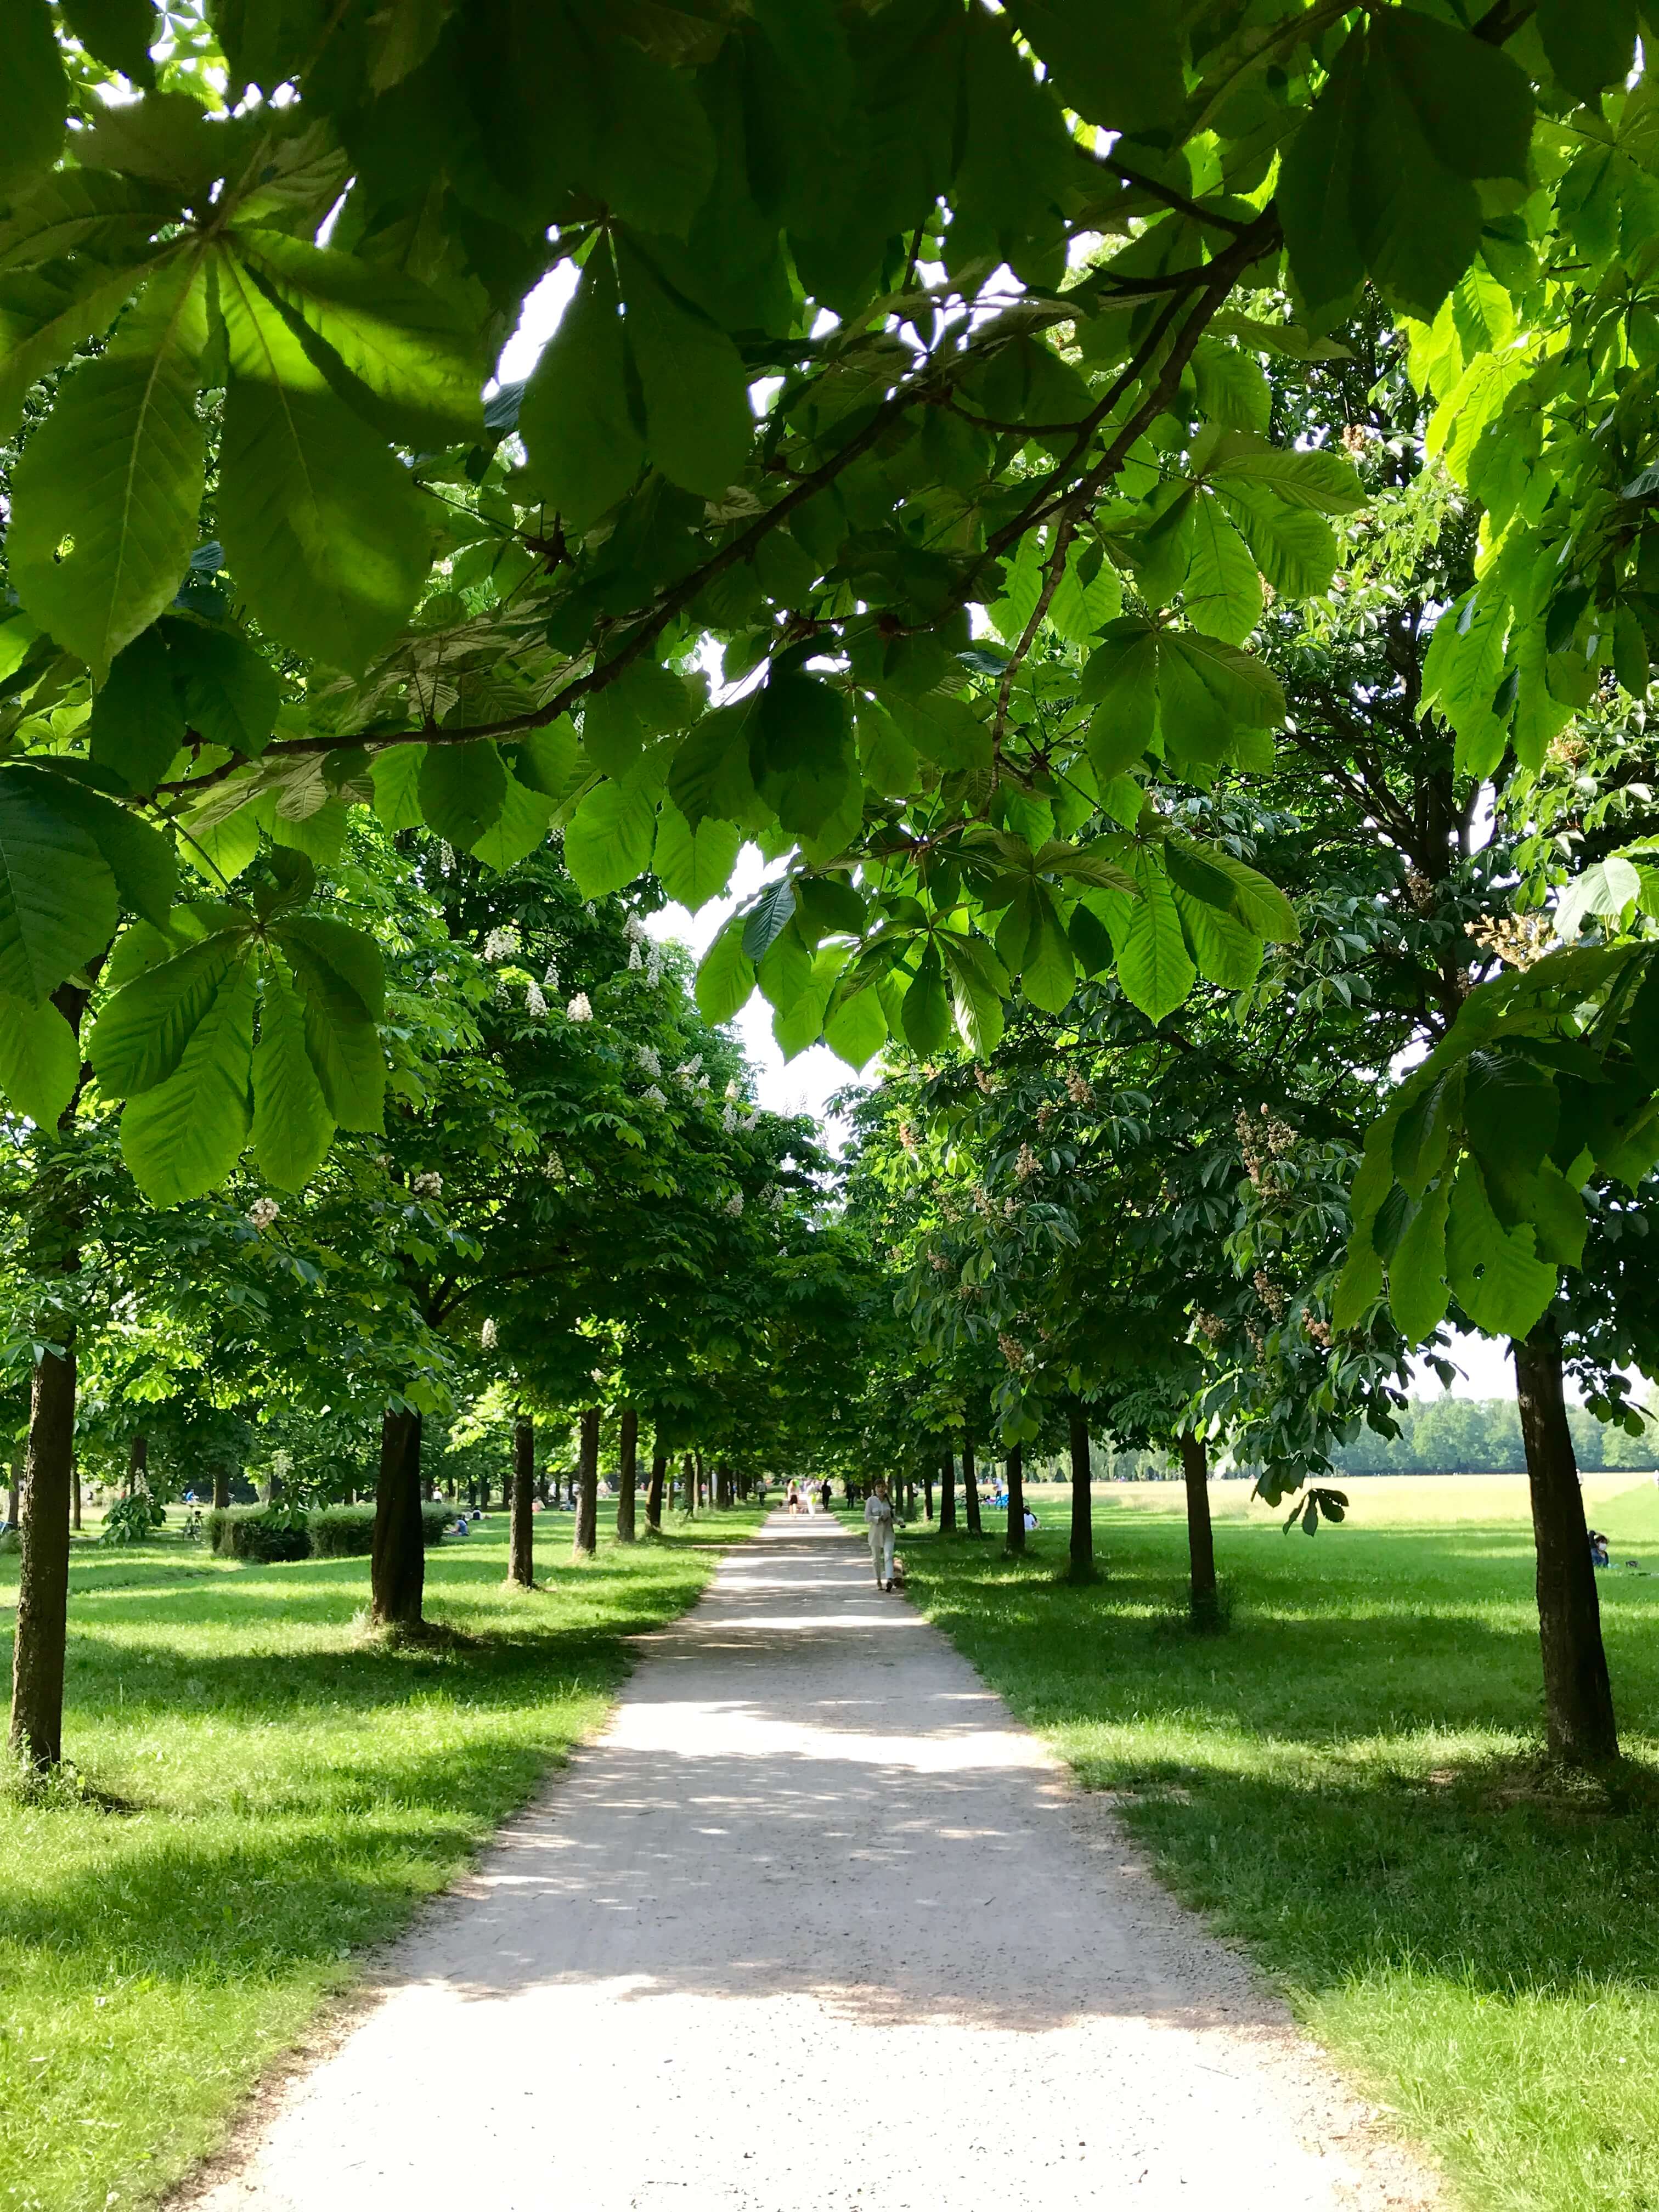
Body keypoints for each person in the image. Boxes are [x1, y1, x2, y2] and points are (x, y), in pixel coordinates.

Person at [865, 1479, 896, 1591]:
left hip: (888, 1531)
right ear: (875, 1489)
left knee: (888, 1555)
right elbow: (867, 1518)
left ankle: (889, 1579)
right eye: (878, 1487)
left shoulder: (889, 1500)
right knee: (876, 1559)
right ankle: (878, 1580)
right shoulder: (871, 1501)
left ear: (886, 1488)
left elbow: (894, 1516)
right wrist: (878, 1519)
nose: (881, 1489)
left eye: (883, 1487)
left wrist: (899, 1521)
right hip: (876, 1533)